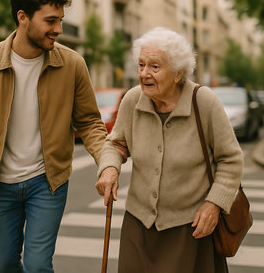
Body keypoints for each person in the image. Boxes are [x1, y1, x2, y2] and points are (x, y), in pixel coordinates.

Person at [0, 0, 109, 273]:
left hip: (47, 183)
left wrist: (107, 162)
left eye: (61, 20)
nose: (59, 29)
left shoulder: (73, 64)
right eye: (50, 20)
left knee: (38, 265)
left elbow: (89, 122)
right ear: (22, 18)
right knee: (4, 264)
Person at [95, 27, 243, 272]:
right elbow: (116, 143)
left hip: (190, 227)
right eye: (141, 65)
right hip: (139, 225)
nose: (144, 73)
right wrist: (109, 168)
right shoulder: (133, 100)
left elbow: (230, 159)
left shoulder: (203, 102)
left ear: (177, 73)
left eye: (155, 67)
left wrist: (213, 205)